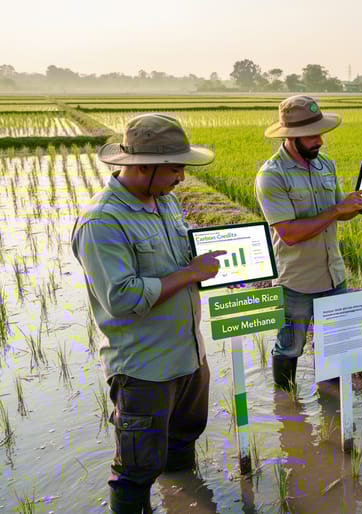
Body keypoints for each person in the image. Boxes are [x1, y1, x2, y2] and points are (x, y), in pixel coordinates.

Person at [72, 113, 224, 513]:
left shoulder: (166, 202)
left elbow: (177, 266)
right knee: (136, 470)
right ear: (142, 167)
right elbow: (121, 297)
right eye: (175, 168)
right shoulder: (102, 221)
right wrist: (190, 272)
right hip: (145, 370)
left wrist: (204, 268)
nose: (182, 177)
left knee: (182, 442)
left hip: (189, 356)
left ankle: (183, 502)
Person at [256, 95, 362, 389]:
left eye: (321, 132)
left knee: (336, 351)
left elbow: (336, 214)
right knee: (290, 348)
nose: (320, 141)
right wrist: (337, 209)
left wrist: (357, 208)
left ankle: (332, 417)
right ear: (292, 136)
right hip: (295, 283)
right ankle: (287, 408)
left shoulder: (326, 165)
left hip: (333, 276)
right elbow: (289, 232)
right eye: (312, 135)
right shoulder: (271, 176)